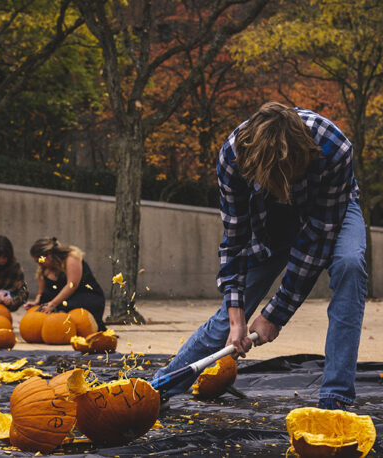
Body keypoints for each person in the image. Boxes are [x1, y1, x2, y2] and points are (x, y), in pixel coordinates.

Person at [154, 102, 367, 411]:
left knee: (349, 265)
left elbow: (314, 245)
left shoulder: (334, 148)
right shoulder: (232, 157)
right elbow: (236, 242)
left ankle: (335, 398)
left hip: (330, 208)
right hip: (269, 215)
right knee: (227, 318)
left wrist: (275, 314)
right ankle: (159, 387)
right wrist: (237, 318)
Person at [24, 237, 107, 331]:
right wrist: (36, 302)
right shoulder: (44, 269)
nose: (39, 264)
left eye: (40, 260)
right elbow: (41, 292)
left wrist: (52, 304)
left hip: (84, 296)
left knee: (70, 317)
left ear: (49, 255)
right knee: (46, 302)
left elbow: (72, 285)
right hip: (62, 300)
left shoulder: (71, 258)